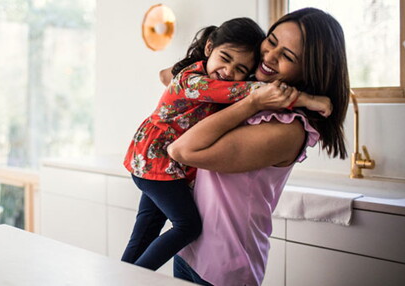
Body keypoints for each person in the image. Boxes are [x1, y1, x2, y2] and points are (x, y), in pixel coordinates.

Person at [121, 17, 330, 271]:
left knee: (146, 228)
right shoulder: (197, 81)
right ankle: (131, 279)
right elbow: (245, 92)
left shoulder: (207, 77)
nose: (230, 72)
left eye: (241, 69)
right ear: (209, 48)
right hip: (156, 160)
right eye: (226, 58)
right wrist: (307, 99)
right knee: (186, 226)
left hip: (159, 164)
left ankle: (124, 274)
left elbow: (243, 89)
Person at [166, 8, 349, 285]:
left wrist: (255, 102)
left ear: (308, 70)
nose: (269, 57)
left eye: (287, 56)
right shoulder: (248, 90)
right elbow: (168, 76)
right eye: (271, 41)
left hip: (224, 266)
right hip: (190, 249)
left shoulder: (286, 129)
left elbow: (182, 150)